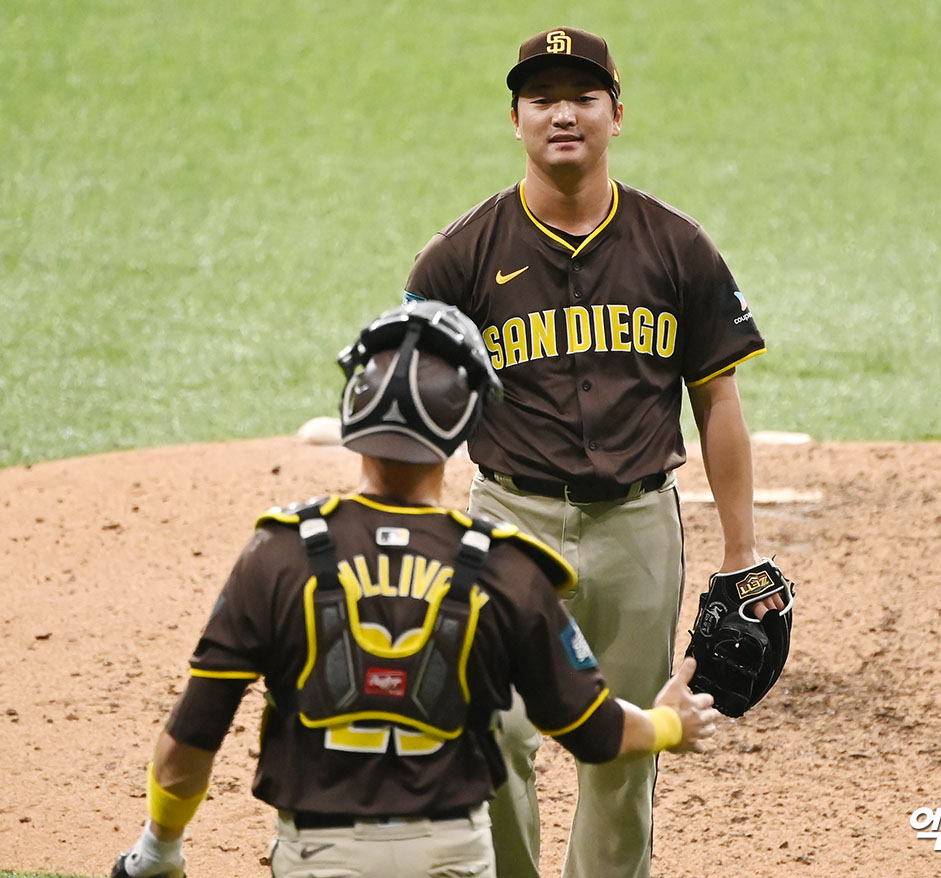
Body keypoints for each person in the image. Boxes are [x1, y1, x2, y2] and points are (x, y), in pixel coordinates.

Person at [109, 301, 718, 878]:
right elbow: (594, 730)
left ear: (353, 411)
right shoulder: (507, 568)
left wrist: (157, 850)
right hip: (452, 856)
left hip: (320, 856)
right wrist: (668, 723)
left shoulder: (278, 555)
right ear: (467, 423)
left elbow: (188, 742)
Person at [401, 26, 783, 878]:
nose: (562, 114)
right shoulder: (458, 258)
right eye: (543, 99)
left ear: (616, 113)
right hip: (507, 523)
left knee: (623, 751)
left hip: (636, 526)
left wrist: (741, 554)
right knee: (491, 737)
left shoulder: (677, 247)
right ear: (516, 119)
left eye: (582, 97)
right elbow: (415, 412)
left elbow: (718, 400)